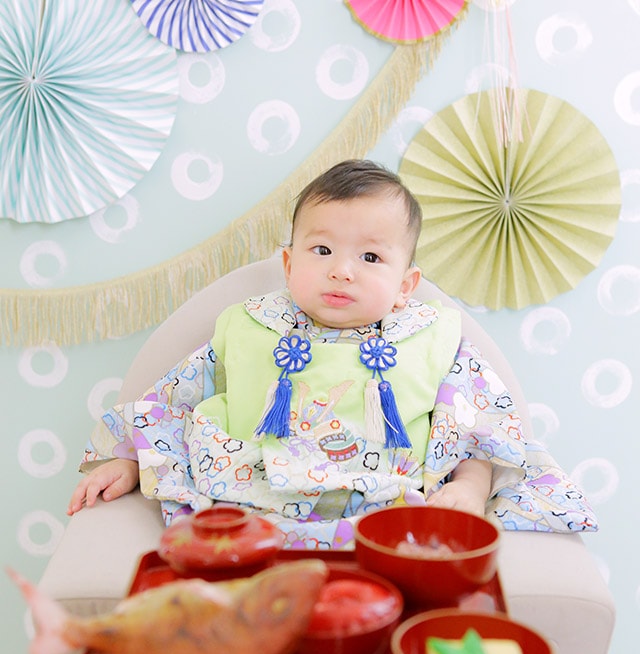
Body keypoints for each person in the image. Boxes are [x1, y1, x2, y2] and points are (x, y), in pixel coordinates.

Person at [68, 160, 596, 549]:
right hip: (250, 494)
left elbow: (478, 426)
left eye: (370, 256)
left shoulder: (428, 337)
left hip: (384, 502)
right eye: (322, 250)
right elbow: (175, 399)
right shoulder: (250, 327)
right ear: (290, 262)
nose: (342, 269)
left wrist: (471, 485)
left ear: (404, 284)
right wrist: (129, 457)